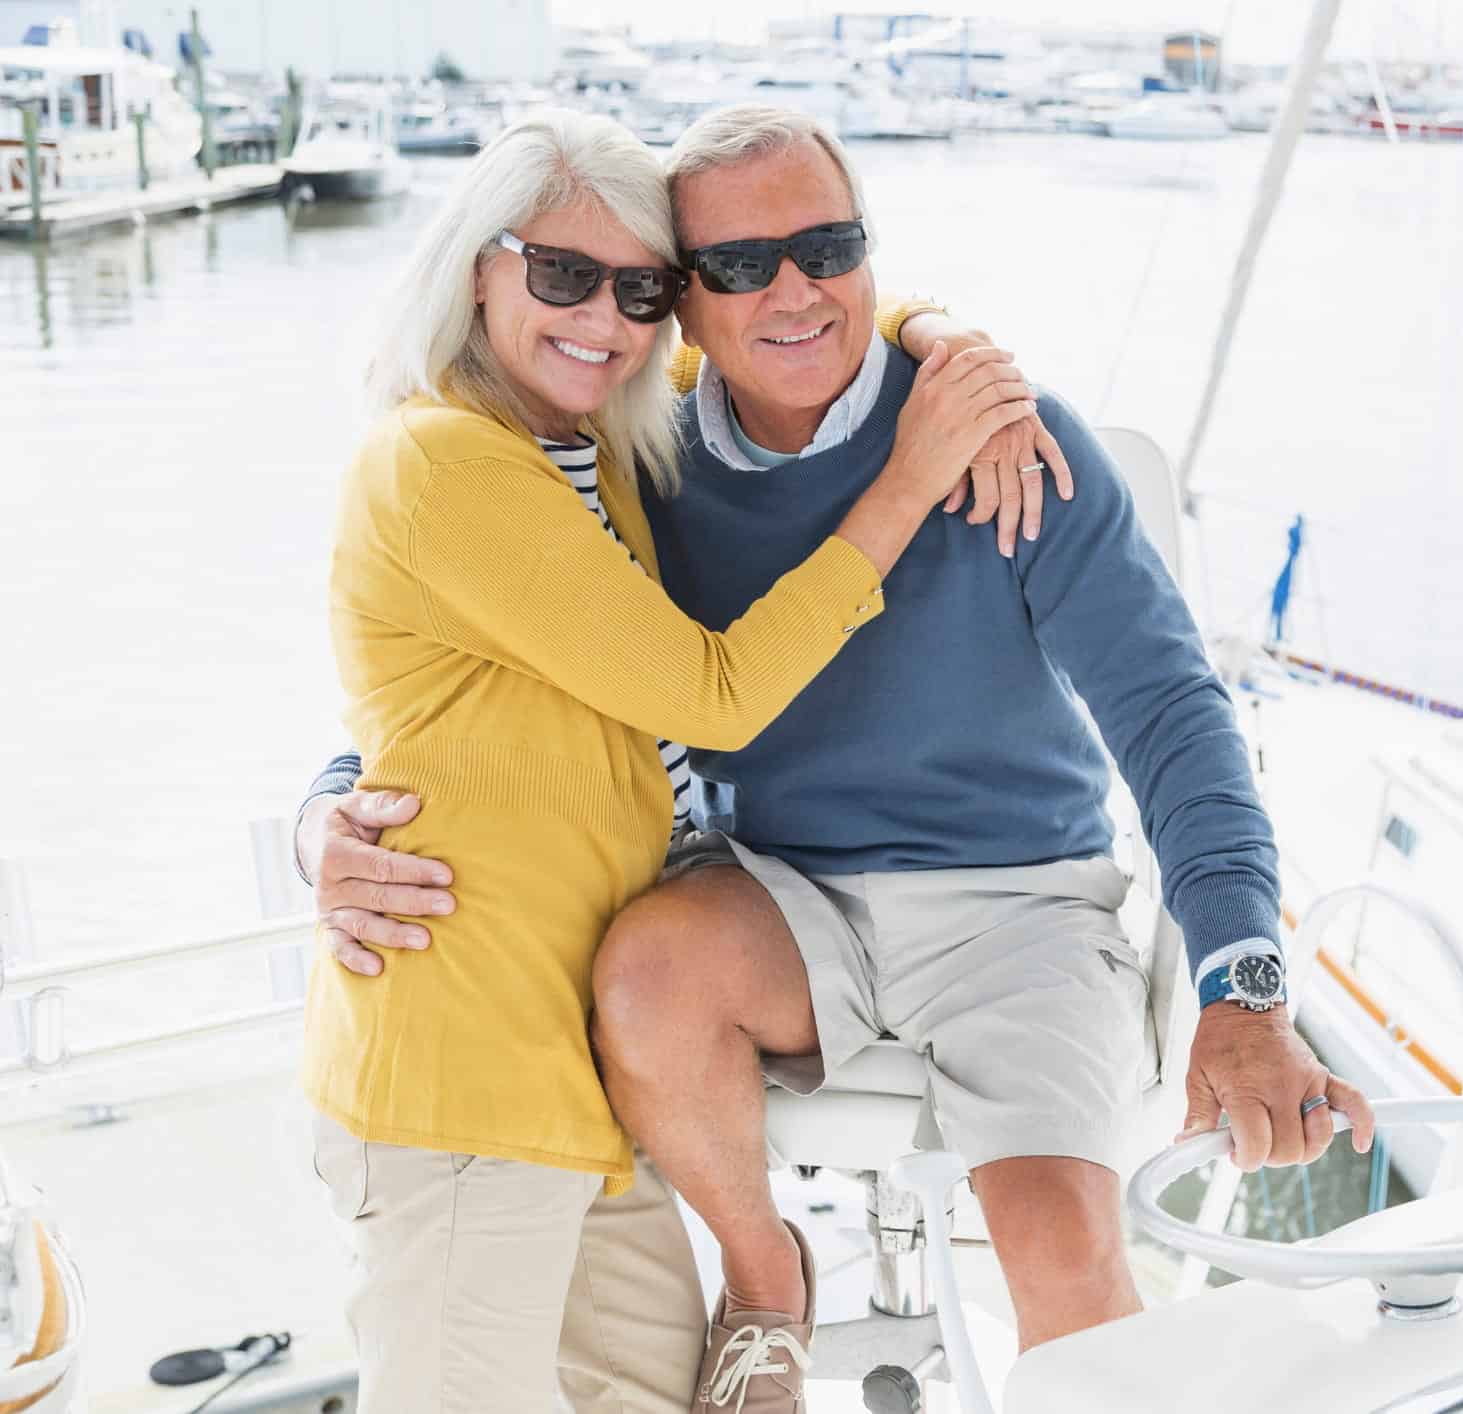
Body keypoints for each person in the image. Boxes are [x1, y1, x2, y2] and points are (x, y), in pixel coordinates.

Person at [300, 105, 1377, 1413]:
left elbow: (1173, 715)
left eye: (829, 246)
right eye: (739, 267)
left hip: (1016, 904)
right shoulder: (655, 465)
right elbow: (470, 682)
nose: (794, 289)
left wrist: (1244, 982)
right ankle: (768, 1278)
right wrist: (329, 815)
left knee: (1068, 1266)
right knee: (647, 971)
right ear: (689, 310)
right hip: (773, 896)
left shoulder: (1002, 436)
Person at [304, 108, 1043, 1413]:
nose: (605, 316)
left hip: (581, 1075)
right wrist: (911, 478)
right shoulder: (442, 463)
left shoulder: (595, 445)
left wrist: (934, 336)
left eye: (642, 285)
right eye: (561, 273)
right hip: (465, 1085)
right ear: (479, 263)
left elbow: (798, 333)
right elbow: (718, 693)